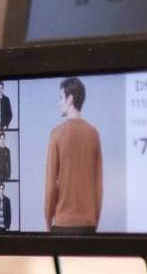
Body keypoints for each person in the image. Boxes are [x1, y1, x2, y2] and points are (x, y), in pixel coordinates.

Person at [44, 77, 103, 234]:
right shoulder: (93, 134)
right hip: (88, 225)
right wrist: (93, 221)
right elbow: (98, 187)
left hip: (62, 225)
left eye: (60, 97)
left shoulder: (56, 134)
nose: (59, 103)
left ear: (69, 99)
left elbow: (50, 187)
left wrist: (49, 223)